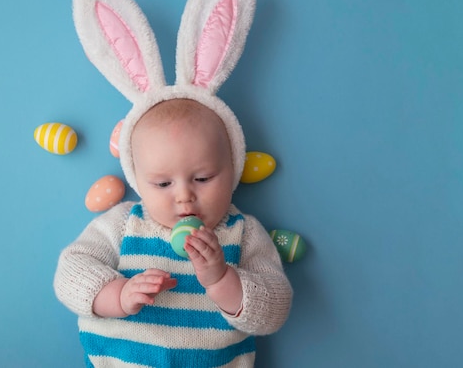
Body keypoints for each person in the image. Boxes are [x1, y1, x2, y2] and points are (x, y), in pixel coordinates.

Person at [54, 98, 293, 367]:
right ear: (139, 180)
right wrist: (117, 295)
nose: (184, 196)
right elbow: (70, 271)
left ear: (233, 168)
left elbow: (276, 308)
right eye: (163, 183)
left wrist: (222, 279)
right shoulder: (124, 223)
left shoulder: (242, 233)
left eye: (202, 178)